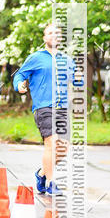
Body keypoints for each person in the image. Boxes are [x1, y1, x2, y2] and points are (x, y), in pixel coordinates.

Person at [13, 22, 74, 196]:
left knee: (63, 148)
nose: (54, 36)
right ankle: (51, 183)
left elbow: (75, 80)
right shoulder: (36, 57)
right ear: (45, 37)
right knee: (51, 143)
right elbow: (20, 74)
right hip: (44, 107)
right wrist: (19, 84)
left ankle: (41, 174)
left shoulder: (67, 60)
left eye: (57, 33)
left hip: (62, 108)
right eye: (50, 33)